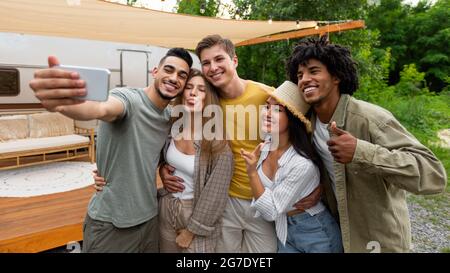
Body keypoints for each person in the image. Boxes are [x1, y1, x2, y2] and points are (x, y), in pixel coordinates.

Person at [160, 35, 322, 253]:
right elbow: (181, 134)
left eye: (219, 59)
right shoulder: (209, 100)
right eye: (206, 63)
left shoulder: (267, 96)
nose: (213, 67)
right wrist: (164, 167)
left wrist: (317, 184)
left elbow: (307, 135)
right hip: (227, 200)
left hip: (265, 199)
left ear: (234, 61)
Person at [285, 36, 447, 252]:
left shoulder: (370, 118)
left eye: (314, 71)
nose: (304, 79)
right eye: (299, 75)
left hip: (381, 241)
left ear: (336, 76)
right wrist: (320, 188)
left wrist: (361, 152)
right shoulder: (308, 125)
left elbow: (434, 175)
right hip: (341, 236)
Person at [29, 48, 193, 252]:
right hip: (111, 224)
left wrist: (162, 168)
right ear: (155, 71)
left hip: (150, 219)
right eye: (169, 69)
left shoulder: (168, 116)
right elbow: (101, 108)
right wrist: (67, 105)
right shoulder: (128, 100)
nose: (174, 78)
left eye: (182, 75)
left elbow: (154, 151)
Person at [94, 68, 234, 253]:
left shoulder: (217, 143)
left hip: (196, 214)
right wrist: (106, 173)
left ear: (209, 98)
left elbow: (215, 194)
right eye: (189, 87)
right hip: (166, 207)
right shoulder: (171, 127)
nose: (193, 93)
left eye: (201, 89)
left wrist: (191, 232)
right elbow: (146, 154)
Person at [240, 81, 343, 253]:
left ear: (292, 119)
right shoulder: (265, 147)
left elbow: (271, 211)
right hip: (285, 229)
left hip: (315, 230)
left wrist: (252, 172)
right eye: (266, 107)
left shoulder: (302, 164)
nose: (267, 113)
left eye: (277, 110)